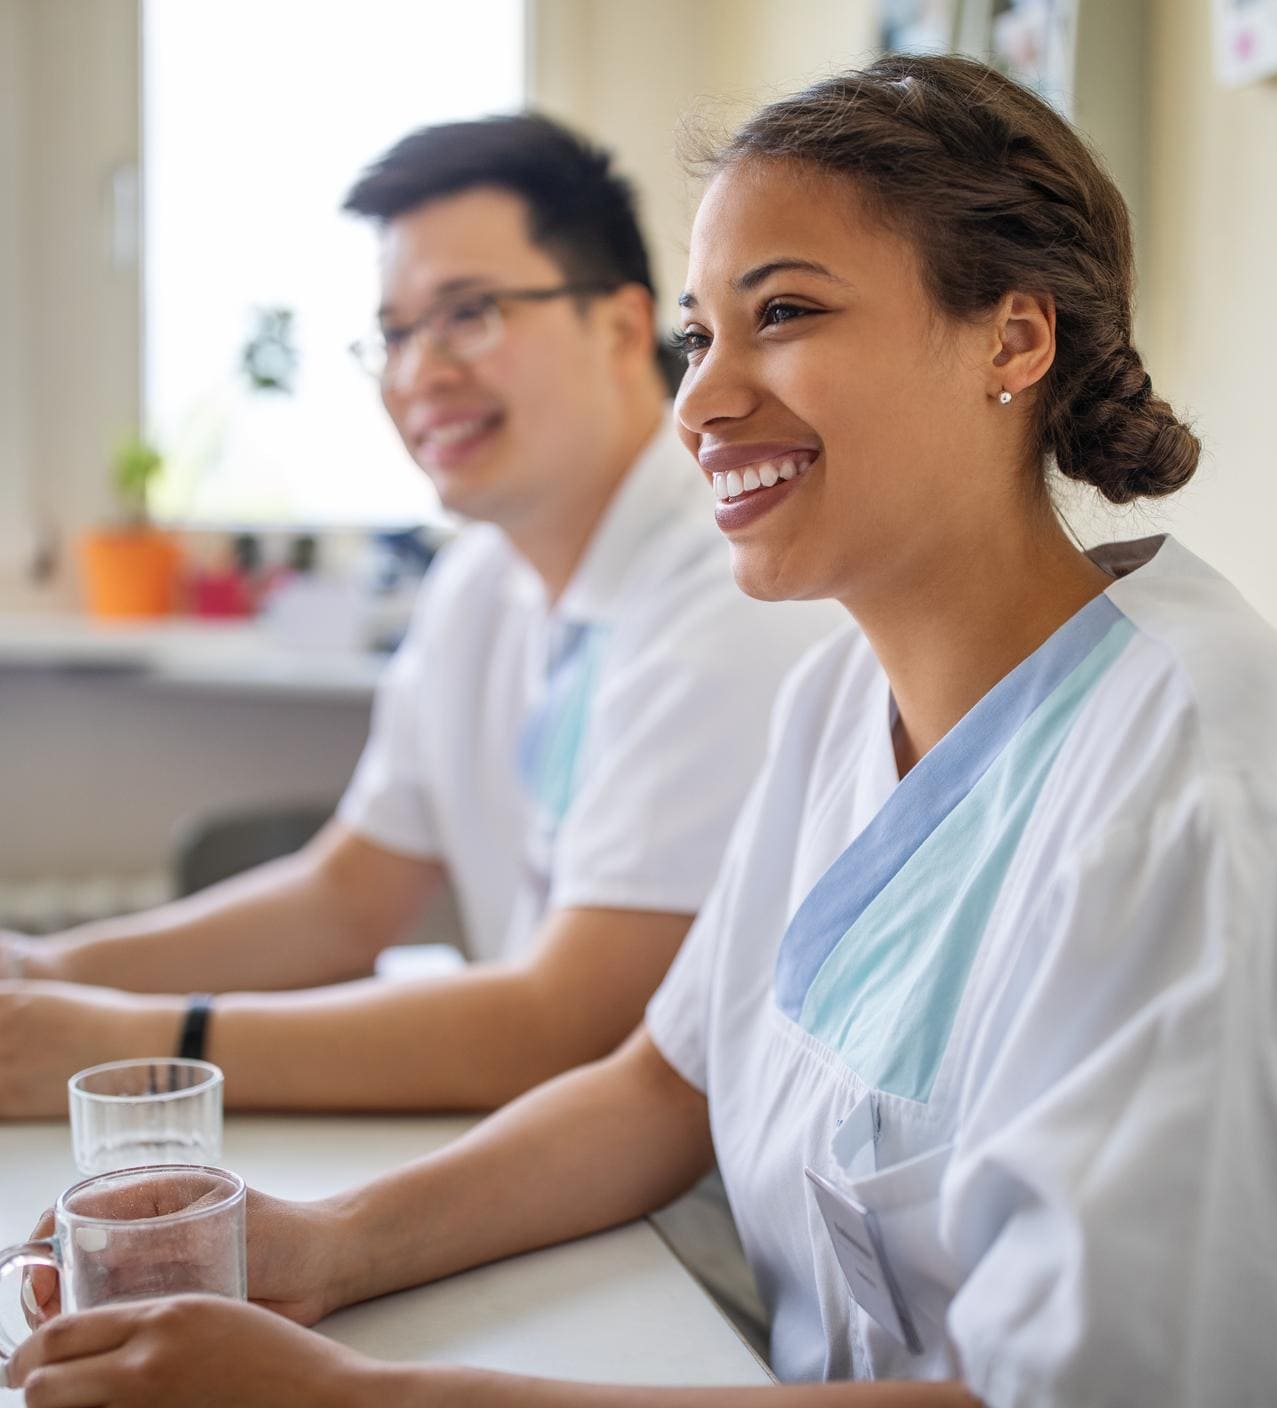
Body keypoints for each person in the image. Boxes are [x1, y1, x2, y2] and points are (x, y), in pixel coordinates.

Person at [8, 53, 1277, 1407]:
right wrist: (322, 1248)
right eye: (702, 335)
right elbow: (663, 1083)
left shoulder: (1200, 767)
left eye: (784, 313)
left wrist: (368, 1402)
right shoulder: (834, 708)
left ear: (1014, 338)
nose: (702, 399)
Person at [0, 114, 835, 1117]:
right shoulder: (478, 579)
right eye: (395, 332)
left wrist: (139, 1048)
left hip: (700, 1229)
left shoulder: (733, 584)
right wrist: (45, 974)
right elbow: (348, 894)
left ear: (619, 328)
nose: (419, 372)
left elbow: (570, 1022)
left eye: (469, 312)